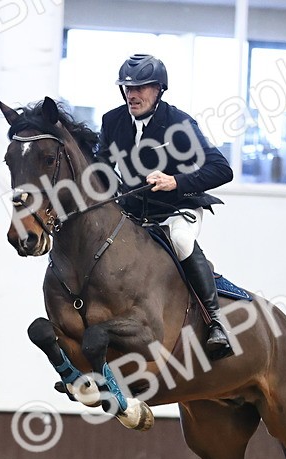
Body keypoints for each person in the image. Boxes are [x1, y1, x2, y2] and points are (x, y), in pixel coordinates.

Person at [96, 54, 234, 358]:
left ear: (159, 89)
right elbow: (102, 170)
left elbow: (222, 169)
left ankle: (216, 322)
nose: (133, 94)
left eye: (142, 88)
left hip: (176, 208)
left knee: (182, 240)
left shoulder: (180, 124)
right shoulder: (112, 121)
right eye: (128, 88)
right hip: (132, 213)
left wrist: (176, 181)